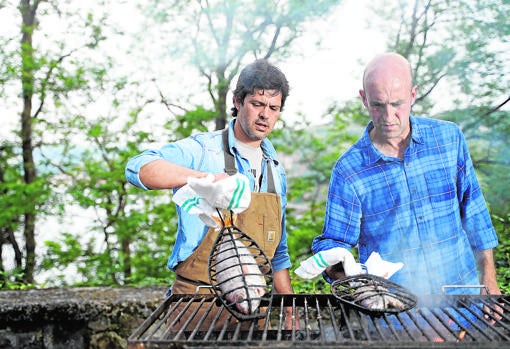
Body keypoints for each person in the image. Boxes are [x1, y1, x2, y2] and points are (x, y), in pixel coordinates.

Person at [311, 52, 501, 298]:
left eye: (397, 104)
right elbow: (334, 243)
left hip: (464, 299)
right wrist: (340, 268)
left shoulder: (448, 139)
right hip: (395, 311)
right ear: (364, 99)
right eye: (378, 105)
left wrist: (489, 278)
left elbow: (475, 214)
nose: (389, 117)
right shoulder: (349, 170)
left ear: (412, 95)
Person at [125, 59, 297, 329]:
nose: (265, 114)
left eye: (273, 108)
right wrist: (204, 179)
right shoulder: (204, 150)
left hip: (252, 306)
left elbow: (279, 250)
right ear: (238, 101)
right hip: (197, 306)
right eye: (257, 104)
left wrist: (289, 307)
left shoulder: (275, 170)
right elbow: (138, 168)